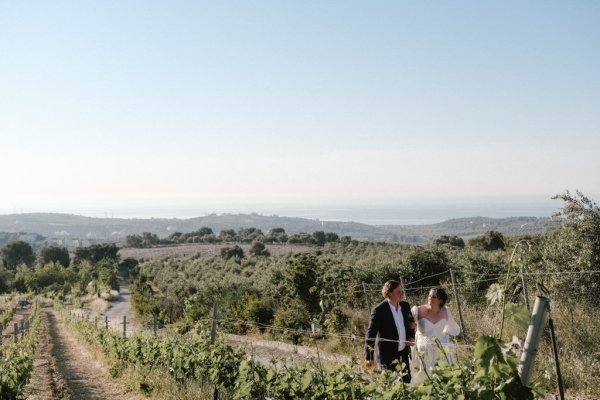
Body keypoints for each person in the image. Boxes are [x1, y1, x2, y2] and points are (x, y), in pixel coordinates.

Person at [365, 280, 416, 383]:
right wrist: (370, 357)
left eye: (402, 291)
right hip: (387, 357)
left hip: (403, 355)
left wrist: (411, 337)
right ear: (389, 293)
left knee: (406, 383)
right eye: (398, 292)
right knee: (391, 385)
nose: (402, 294)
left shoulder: (405, 306)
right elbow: (371, 334)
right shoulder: (379, 310)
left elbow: (410, 323)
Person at [410, 287, 461, 384]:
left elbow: (455, 329)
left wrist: (447, 332)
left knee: (443, 378)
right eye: (429, 296)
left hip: (441, 350)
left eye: (434, 297)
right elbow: (407, 326)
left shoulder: (445, 311)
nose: (430, 298)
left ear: (440, 300)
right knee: (423, 379)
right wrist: (412, 327)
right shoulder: (418, 310)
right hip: (424, 351)